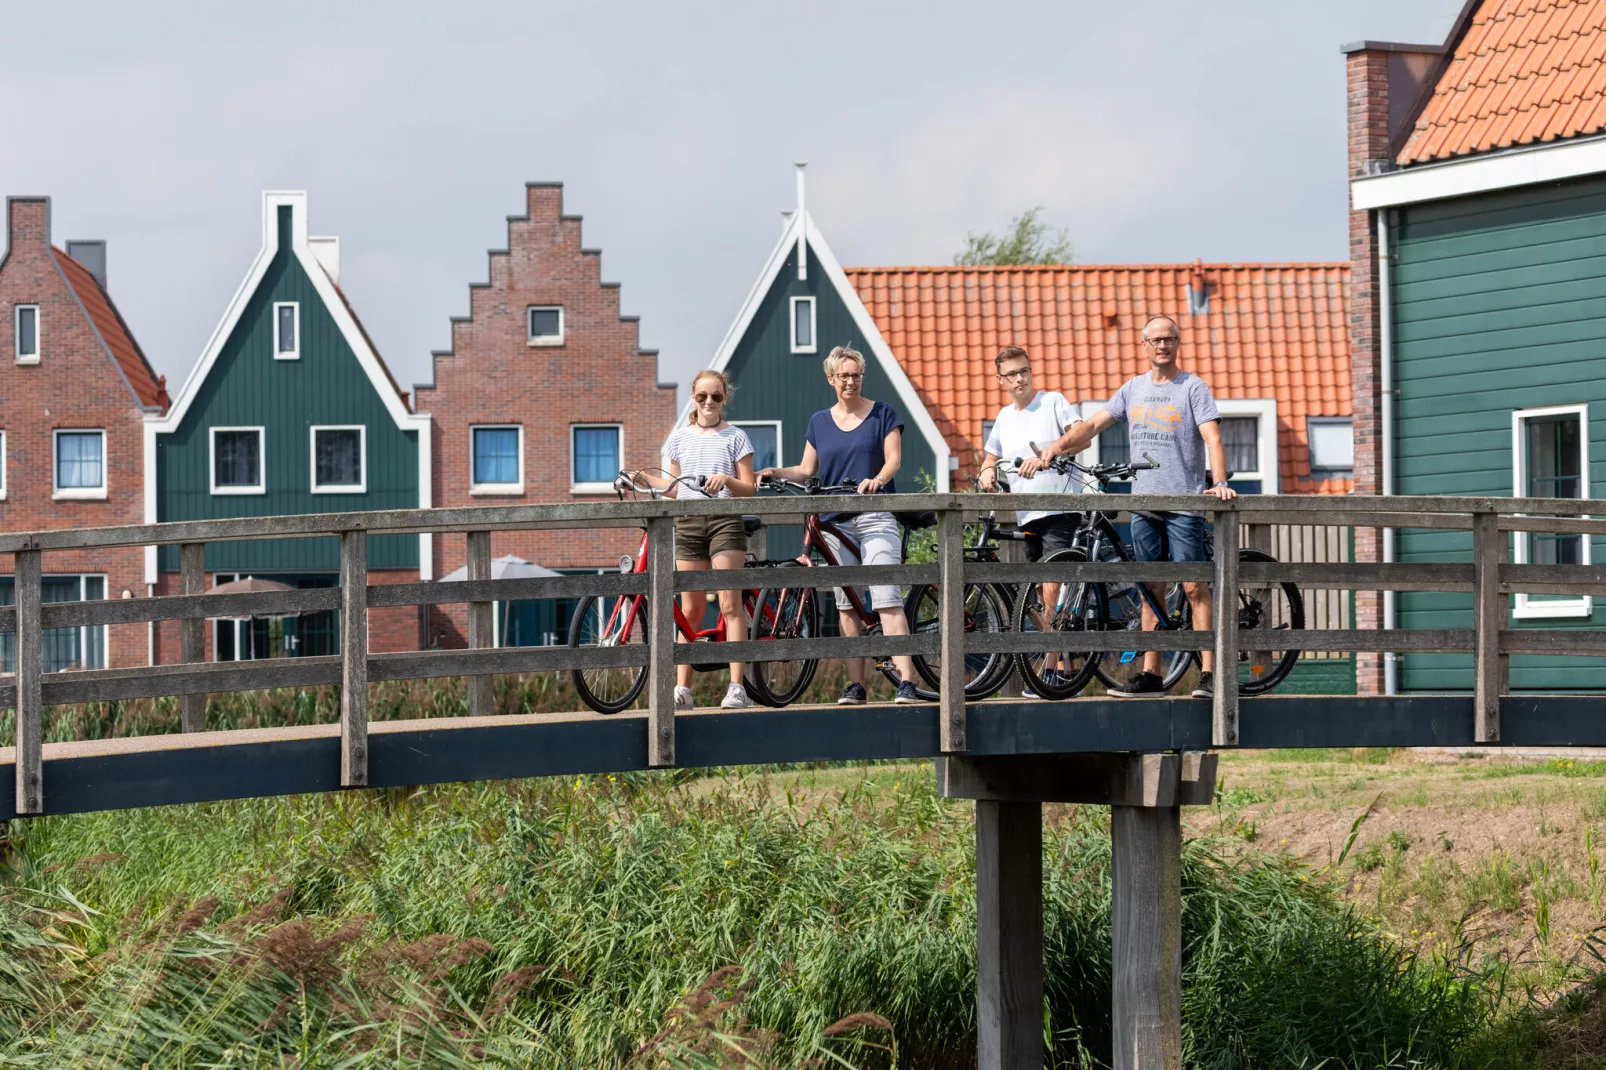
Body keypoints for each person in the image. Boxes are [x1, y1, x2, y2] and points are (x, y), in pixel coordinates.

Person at [1022, 315, 1236, 698]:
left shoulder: (1193, 388)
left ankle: (1209, 674)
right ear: (1144, 345)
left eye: (1168, 339)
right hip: (1143, 503)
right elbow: (1091, 426)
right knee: (1148, 589)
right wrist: (1057, 446)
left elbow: (1213, 438)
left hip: (1184, 501)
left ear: (1178, 343)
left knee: (1193, 586)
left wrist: (1219, 483)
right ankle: (1151, 675)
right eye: (1154, 340)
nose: (1161, 346)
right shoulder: (1132, 389)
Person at [757, 345, 920, 704]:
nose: (851, 381)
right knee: (846, 605)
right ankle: (856, 685)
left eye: (856, 374)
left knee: (886, 598)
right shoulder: (819, 421)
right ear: (831, 379)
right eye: (844, 375)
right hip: (834, 523)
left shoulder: (882, 413)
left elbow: (894, 460)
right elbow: (806, 469)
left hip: (874, 515)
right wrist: (773, 471)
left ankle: (906, 679)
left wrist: (877, 478)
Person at [632, 369, 756, 710]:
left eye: (716, 396)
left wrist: (726, 480)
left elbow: (749, 488)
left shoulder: (736, 437)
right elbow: (673, 487)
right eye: (703, 396)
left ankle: (736, 686)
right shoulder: (679, 438)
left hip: (724, 520)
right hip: (687, 521)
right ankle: (682, 688)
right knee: (690, 609)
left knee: (730, 603)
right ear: (694, 398)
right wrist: (640, 477)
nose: (709, 402)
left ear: (724, 399)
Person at [976, 345, 1084, 694]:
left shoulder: (1053, 401)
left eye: (1024, 370)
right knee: (1038, 592)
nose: (1020, 378)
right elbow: (988, 458)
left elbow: (1079, 435)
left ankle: (1049, 670)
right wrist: (986, 473)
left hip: (1059, 506)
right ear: (1000, 380)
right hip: (1027, 512)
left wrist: (1051, 452)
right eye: (1011, 374)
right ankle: (1066, 670)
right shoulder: (1005, 417)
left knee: (1051, 585)